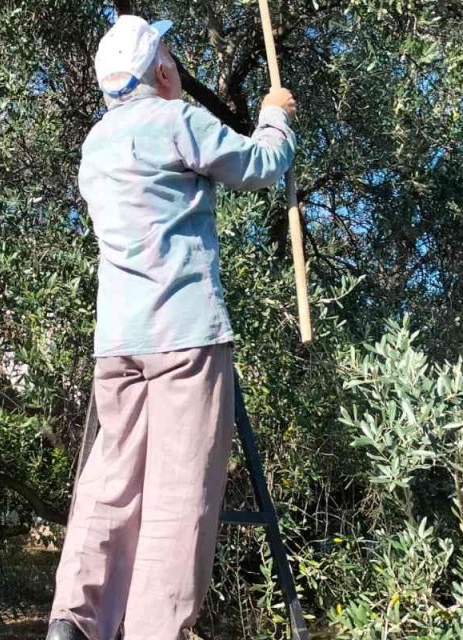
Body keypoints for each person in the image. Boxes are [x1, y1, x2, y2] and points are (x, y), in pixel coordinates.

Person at [46, 14, 297, 640]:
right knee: (178, 494)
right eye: (173, 59)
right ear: (161, 71)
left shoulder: (95, 146)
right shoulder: (177, 120)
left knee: (111, 479)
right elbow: (260, 164)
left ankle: (73, 621)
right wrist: (276, 114)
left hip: (118, 342)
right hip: (184, 334)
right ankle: (155, 630)